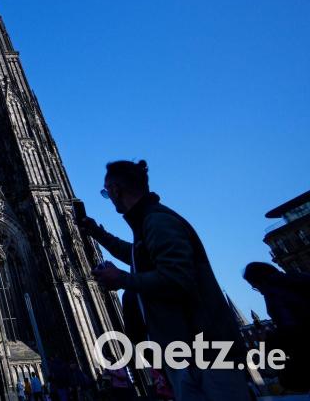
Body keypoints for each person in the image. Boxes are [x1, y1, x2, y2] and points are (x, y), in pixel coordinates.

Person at [78, 160, 249, 401]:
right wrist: (98, 234)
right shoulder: (149, 221)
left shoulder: (158, 221)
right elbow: (137, 254)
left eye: (107, 193)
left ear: (117, 190)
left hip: (204, 351)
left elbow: (177, 279)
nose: (110, 198)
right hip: (190, 352)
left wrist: (123, 279)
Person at [243, 261, 310, 391]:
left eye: (255, 286)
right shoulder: (300, 278)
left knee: (289, 380)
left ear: (260, 281)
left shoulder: (274, 292)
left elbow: (291, 330)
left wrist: (269, 338)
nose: (260, 292)